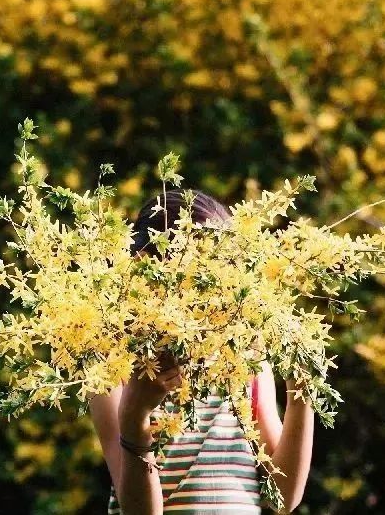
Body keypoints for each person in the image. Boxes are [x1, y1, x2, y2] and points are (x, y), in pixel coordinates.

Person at [89, 189, 315, 514]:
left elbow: (283, 497)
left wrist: (302, 394)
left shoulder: (246, 354)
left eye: (216, 278)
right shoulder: (112, 364)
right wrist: (135, 415)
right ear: (143, 271)